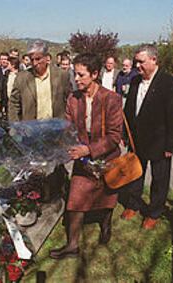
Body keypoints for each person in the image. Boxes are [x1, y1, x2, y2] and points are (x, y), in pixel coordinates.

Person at [49, 53, 123, 259]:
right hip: (83, 160)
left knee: (106, 198)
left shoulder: (112, 98)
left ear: (95, 74)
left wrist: (89, 149)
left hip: (107, 158)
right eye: (75, 74)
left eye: (81, 75)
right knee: (75, 200)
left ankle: (106, 222)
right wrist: (60, 141)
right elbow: (68, 126)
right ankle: (72, 246)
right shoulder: (73, 98)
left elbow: (115, 136)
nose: (77, 79)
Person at [118, 44, 173, 230]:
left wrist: (172, 145)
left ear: (154, 60)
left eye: (141, 61)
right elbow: (129, 110)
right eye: (135, 61)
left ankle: (154, 212)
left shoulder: (169, 83)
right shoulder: (134, 81)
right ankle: (133, 204)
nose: (137, 65)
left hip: (160, 142)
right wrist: (125, 132)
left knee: (159, 179)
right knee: (135, 175)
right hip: (137, 140)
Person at [8, 40, 70, 122]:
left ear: (46, 57)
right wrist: (15, 127)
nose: (34, 63)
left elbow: (69, 101)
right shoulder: (22, 78)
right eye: (32, 60)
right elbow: (13, 104)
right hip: (31, 129)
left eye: (38, 59)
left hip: (56, 128)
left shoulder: (61, 75)